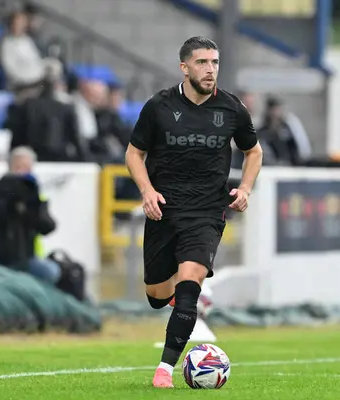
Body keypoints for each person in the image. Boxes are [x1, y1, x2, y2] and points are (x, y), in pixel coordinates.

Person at [125, 36, 263, 388]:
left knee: (189, 285)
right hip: (165, 210)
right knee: (158, 296)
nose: (210, 70)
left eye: (215, 63)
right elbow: (133, 153)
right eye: (202, 63)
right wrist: (147, 191)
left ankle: (164, 370)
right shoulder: (158, 106)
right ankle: (179, 302)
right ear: (184, 67)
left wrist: (245, 188)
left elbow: (254, 151)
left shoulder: (231, 109)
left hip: (207, 211)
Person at [0, 146, 61, 284]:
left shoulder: (35, 197)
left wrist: (31, 204)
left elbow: (48, 227)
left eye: (26, 168)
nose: (21, 173)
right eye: (18, 167)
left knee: (50, 272)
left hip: (24, 258)